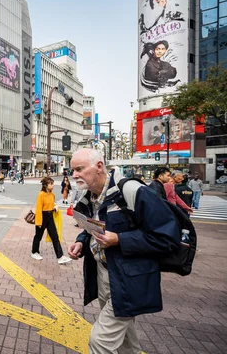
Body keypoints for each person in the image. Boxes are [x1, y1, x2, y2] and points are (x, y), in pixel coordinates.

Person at [67, 149, 180, 354]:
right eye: (73, 170)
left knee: (100, 342)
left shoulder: (134, 191)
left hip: (129, 278)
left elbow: (167, 238)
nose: (74, 175)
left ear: (99, 166)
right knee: (126, 340)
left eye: (79, 169)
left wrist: (120, 239)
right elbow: (94, 228)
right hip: (104, 274)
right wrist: (82, 242)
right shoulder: (89, 196)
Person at [31, 177, 72, 264]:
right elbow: (38, 209)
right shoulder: (41, 194)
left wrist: (55, 206)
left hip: (50, 216)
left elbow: (52, 203)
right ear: (46, 185)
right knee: (38, 236)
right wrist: (38, 222)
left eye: (53, 183)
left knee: (55, 236)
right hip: (42, 216)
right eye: (51, 184)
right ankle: (34, 252)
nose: (53, 185)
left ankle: (60, 256)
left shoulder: (52, 194)